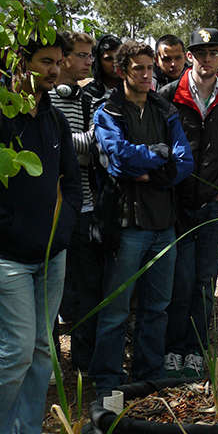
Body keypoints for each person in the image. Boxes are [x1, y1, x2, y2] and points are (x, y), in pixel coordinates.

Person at [89, 41, 193, 395]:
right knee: (116, 310)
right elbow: (117, 160)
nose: (148, 74)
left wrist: (152, 170)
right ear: (121, 71)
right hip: (126, 224)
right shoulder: (108, 112)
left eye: (150, 67)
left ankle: (149, 374)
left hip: (164, 225)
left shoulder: (165, 110)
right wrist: (159, 155)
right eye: (139, 68)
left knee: (157, 308)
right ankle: (108, 380)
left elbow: (184, 161)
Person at [0, 34, 82, 434]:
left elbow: (72, 182)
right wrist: (10, 228)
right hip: (8, 259)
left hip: (52, 256)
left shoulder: (55, 118)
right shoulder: (2, 114)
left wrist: (61, 234)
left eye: (57, 61)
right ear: (20, 62)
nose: (53, 70)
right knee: (14, 353)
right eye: (45, 61)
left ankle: (26, 429)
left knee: (41, 351)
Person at [160, 27, 218, 378]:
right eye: (200, 52)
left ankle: (197, 348)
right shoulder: (168, 95)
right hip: (177, 207)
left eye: (213, 52)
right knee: (178, 281)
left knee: (204, 281)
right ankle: (172, 348)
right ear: (190, 56)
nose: (206, 58)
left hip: (213, 207)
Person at [49, 30, 104, 374]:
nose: (89, 62)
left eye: (91, 55)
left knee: (88, 290)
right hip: (49, 212)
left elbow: (95, 148)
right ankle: (50, 361)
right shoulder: (46, 99)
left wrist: (61, 144)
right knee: (49, 294)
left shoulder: (88, 100)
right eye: (82, 55)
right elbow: (52, 147)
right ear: (64, 57)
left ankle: (84, 363)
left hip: (84, 207)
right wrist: (71, 146)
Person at [84, 34, 122, 106]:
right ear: (98, 62)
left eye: (118, 58)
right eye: (108, 59)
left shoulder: (132, 91)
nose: (115, 64)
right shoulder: (88, 95)